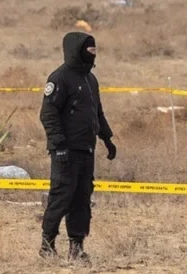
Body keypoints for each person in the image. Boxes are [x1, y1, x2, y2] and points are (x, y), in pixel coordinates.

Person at [39, 31, 117, 262]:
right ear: (76, 50)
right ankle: (47, 245)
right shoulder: (59, 78)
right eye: (89, 51)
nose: (92, 55)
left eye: (94, 51)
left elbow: (97, 113)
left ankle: (77, 247)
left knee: (82, 199)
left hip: (86, 149)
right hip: (65, 151)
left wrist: (107, 138)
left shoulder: (90, 80)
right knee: (61, 197)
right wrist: (59, 144)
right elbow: (48, 113)